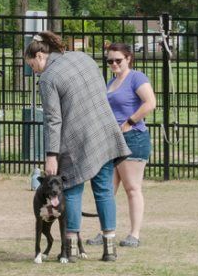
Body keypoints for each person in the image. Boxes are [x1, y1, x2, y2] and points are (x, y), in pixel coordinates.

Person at [24, 32, 130, 261]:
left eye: (32, 65)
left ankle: (70, 249)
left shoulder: (48, 78)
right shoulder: (83, 58)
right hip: (103, 132)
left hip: (74, 142)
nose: (33, 70)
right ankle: (109, 248)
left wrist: (51, 155)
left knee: (71, 191)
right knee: (104, 190)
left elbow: (53, 119)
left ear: (41, 55)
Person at [86, 42, 156, 249]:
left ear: (129, 59)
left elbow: (150, 102)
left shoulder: (137, 78)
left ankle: (134, 234)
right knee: (108, 188)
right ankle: (106, 231)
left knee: (132, 188)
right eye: (110, 61)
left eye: (118, 60)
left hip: (133, 137)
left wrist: (129, 122)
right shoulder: (111, 82)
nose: (114, 64)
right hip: (112, 138)